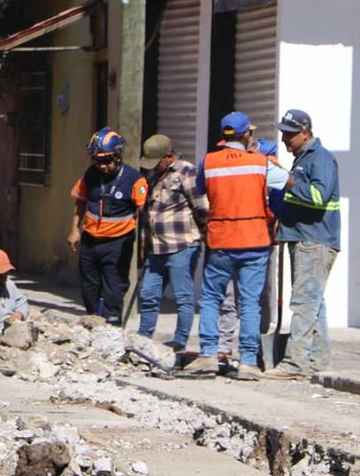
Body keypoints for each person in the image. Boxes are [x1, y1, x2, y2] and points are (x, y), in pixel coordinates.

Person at [184, 112, 289, 379]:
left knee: (211, 298)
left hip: (221, 240)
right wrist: (272, 213)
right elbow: (287, 186)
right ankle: (249, 362)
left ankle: (209, 355)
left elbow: (201, 190)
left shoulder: (208, 162)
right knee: (250, 302)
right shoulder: (262, 163)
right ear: (246, 135)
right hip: (254, 239)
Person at [262, 110, 340, 380]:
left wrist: (287, 179)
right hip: (303, 238)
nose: (284, 140)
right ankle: (317, 361)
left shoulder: (321, 159)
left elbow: (318, 196)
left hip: (314, 240)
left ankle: (294, 365)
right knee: (313, 303)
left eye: (289, 134)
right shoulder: (302, 160)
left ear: (305, 133)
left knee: (304, 303)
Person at [68, 128, 147, 326]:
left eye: (107, 160)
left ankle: (113, 325)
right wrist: (75, 230)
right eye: (98, 161)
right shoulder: (90, 176)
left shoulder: (134, 179)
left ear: (118, 156)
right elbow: (80, 201)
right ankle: (93, 320)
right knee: (89, 286)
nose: (102, 166)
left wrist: (146, 241)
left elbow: (144, 210)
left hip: (118, 242)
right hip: (91, 240)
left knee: (114, 286)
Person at [137, 134, 207, 352]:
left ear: (168, 156)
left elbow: (202, 207)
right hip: (156, 248)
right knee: (148, 294)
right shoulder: (152, 175)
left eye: (156, 162)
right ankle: (143, 341)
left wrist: (202, 234)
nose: (153, 167)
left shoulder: (187, 172)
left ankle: (179, 344)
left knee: (183, 297)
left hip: (181, 246)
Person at [218, 137, 281, 359]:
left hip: (262, 243)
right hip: (235, 240)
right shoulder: (242, 173)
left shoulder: (273, 177)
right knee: (229, 296)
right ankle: (225, 347)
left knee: (256, 297)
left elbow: (278, 207)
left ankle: (256, 348)